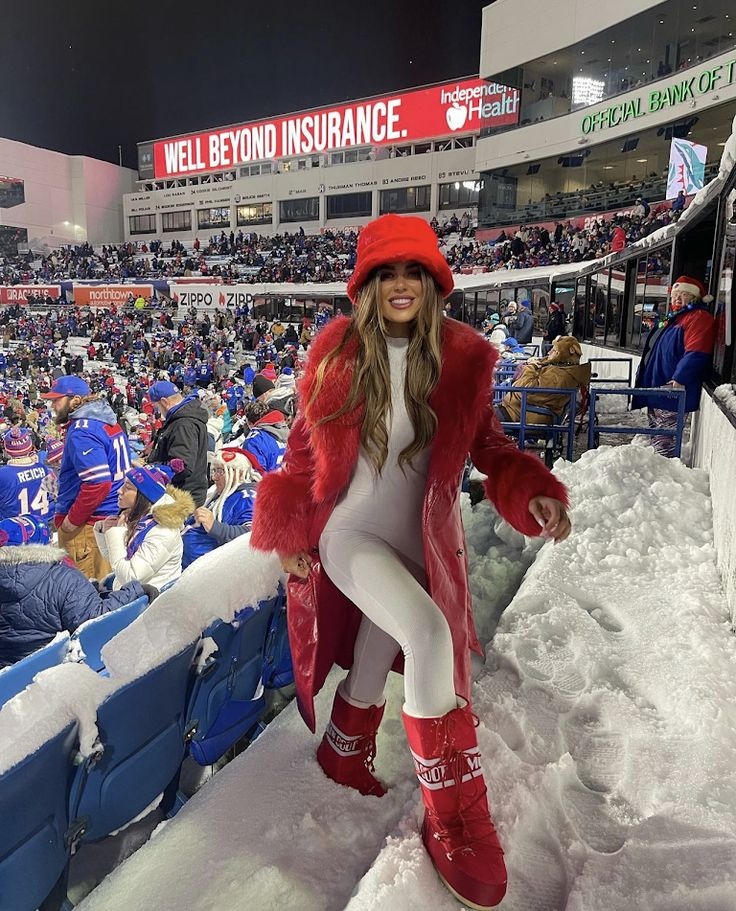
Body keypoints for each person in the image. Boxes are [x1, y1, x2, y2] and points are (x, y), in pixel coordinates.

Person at [249, 214, 570, 910]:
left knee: (382, 640)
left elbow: (492, 450)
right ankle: (455, 816)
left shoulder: (462, 358)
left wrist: (534, 492)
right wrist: (291, 537)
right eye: (385, 273)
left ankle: (344, 747)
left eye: (412, 272)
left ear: (432, 283)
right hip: (351, 535)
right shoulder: (335, 355)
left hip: (424, 538)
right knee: (426, 632)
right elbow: (302, 463)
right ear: (366, 287)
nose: (400, 284)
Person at [0, 514, 148, 668]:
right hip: (50, 678)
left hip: (7, 681)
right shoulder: (64, 578)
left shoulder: (63, 580)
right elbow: (93, 621)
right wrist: (135, 592)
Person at [42, 376, 132, 580]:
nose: (53, 405)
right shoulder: (105, 420)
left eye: (57, 400)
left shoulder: (83, 430)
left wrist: (71, 522)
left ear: (74, 400)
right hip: (108, 518)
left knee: (85, 593)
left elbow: (97, 483)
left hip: (90, 525)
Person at [633, 275, 715, 457]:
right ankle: (658, 474)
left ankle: (663, 478)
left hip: (671, 389)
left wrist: (680, 378)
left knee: (665, 442)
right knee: (657, 436)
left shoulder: (698, 317)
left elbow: (697, 351)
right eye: (675, 294)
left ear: (694, 298)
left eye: (684, 294)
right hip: (657, 387)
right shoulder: (675, 319)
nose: (678, 298)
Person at [94, 464, 193, 591]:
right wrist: (105, 532)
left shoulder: (162, 533)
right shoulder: (142, 518)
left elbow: (130, 577)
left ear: (144, 496)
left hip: (147, 604)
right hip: (130, 594)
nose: (120, 490)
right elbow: (117, 562)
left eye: (128, 487)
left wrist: (117, 534)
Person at [181, 447, 259, 568]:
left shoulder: (247, 498)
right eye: (215, 471)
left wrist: (214, 526)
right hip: (187, 564)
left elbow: (252, 535)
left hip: (203, 572)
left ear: (240, 473)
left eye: (221, 471)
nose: (214, 477)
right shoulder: (222, 492)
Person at [498, 336, 591, 425]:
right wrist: (539, 362)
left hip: (524, 415)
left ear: (561, 354)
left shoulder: (559, 375)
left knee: (484, 419)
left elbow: (524, 389)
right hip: (518, 410)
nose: (549, 352)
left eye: (553, 350)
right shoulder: (560, 369)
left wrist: (531, 367)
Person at [146, 381, 209, 507]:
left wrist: (151, 468)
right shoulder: (180, 419)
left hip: (183, 497)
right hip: (183, 493)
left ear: (164, 402)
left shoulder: (184, 424)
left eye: (157, 406)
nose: (158, 411)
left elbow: (181, 466)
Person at [0, 427, 54, 523]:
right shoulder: (44, 469)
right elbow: (54, 495)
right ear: (30, 446)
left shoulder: (3, 474)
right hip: (44, 527)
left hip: (15, 531)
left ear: (7, 450)